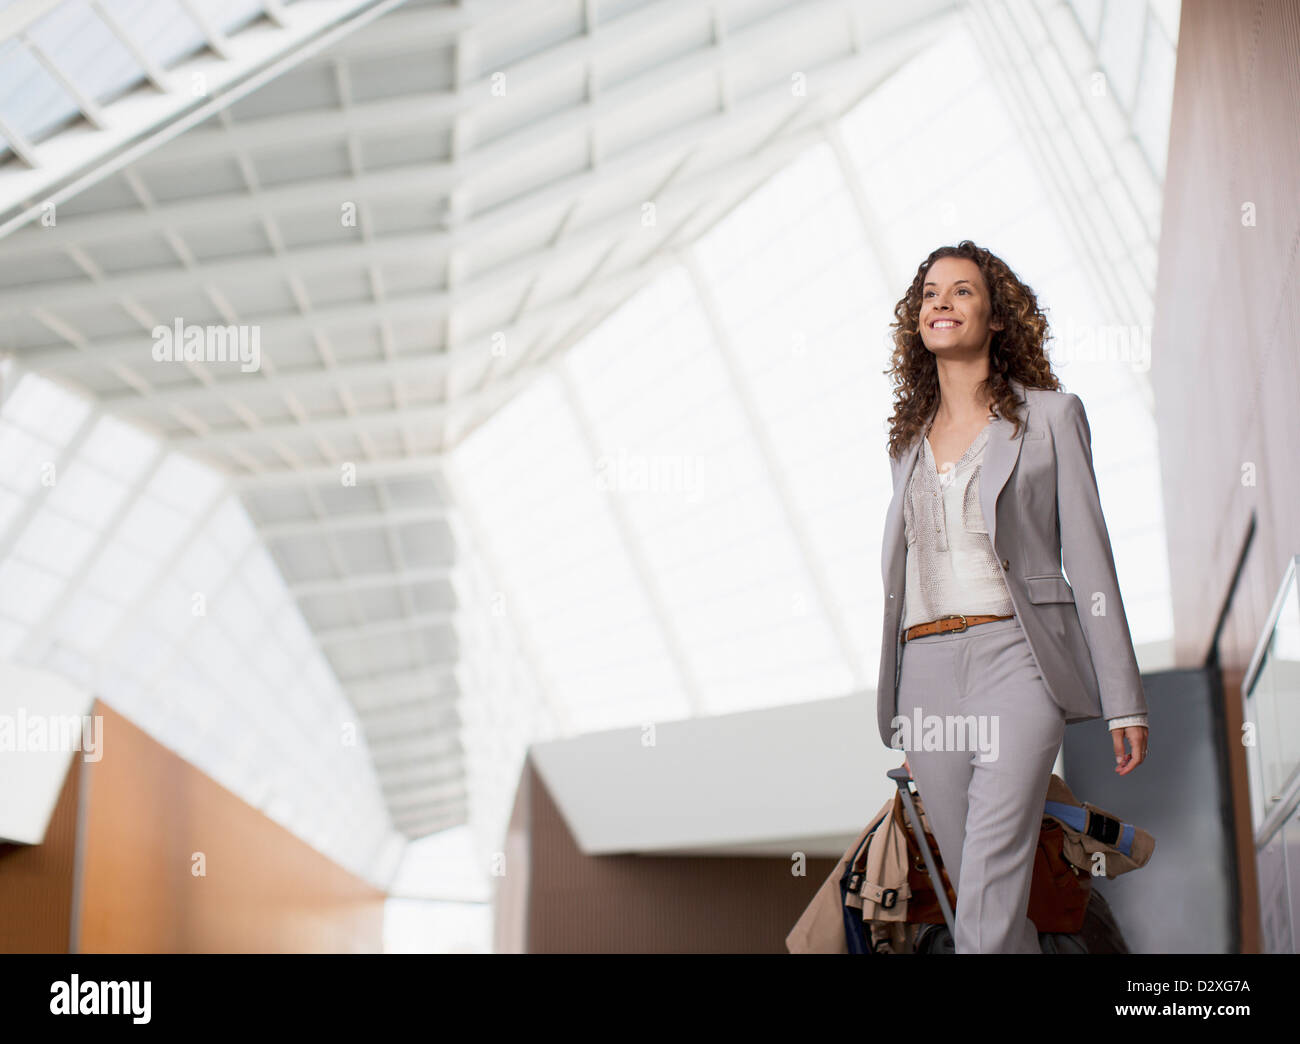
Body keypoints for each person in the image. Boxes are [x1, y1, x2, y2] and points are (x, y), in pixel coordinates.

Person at [877, 240, 1149, 953]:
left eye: (962, 291)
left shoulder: (1053, 418)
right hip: (927, 673)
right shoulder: (906, 444)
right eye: (930, 292)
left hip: (1016, 661)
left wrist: (1124, 698)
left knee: (993, 880)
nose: (941, 302)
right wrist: (910, 704)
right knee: (980, 894)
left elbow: (1091, 563)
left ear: (997, 318)